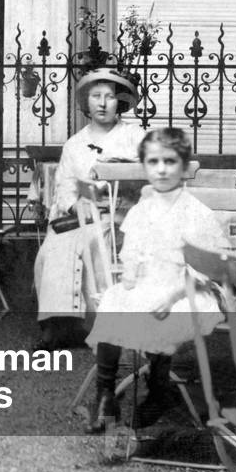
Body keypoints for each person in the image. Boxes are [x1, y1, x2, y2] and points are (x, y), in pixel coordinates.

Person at [84, 127, 225, 433]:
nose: (161, 169)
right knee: (114, 301)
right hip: (150, 283)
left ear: (184, 167)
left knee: (162, 311)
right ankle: (105, 394)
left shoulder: (196, 212)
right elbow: (132, 252)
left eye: (170, 162)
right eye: (153, 162)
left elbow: (205, 271)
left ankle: (159, 389)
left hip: (187, 290)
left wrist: (172, 296)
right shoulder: (142, 210)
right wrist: (130, 274)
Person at [32, 68, 145, 350]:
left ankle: (95, 324)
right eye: (96, 96)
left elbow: (153, 171)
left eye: (109, 97)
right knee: (52, 247)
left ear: (119, 102)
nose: (102, 103)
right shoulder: (75, 144)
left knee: (93, 240)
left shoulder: (135, 136)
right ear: (87, 102)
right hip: (81, 214)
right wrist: (74, 205)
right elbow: (65, 186)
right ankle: (57, 326)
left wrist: (119, 173)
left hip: (121, 213)